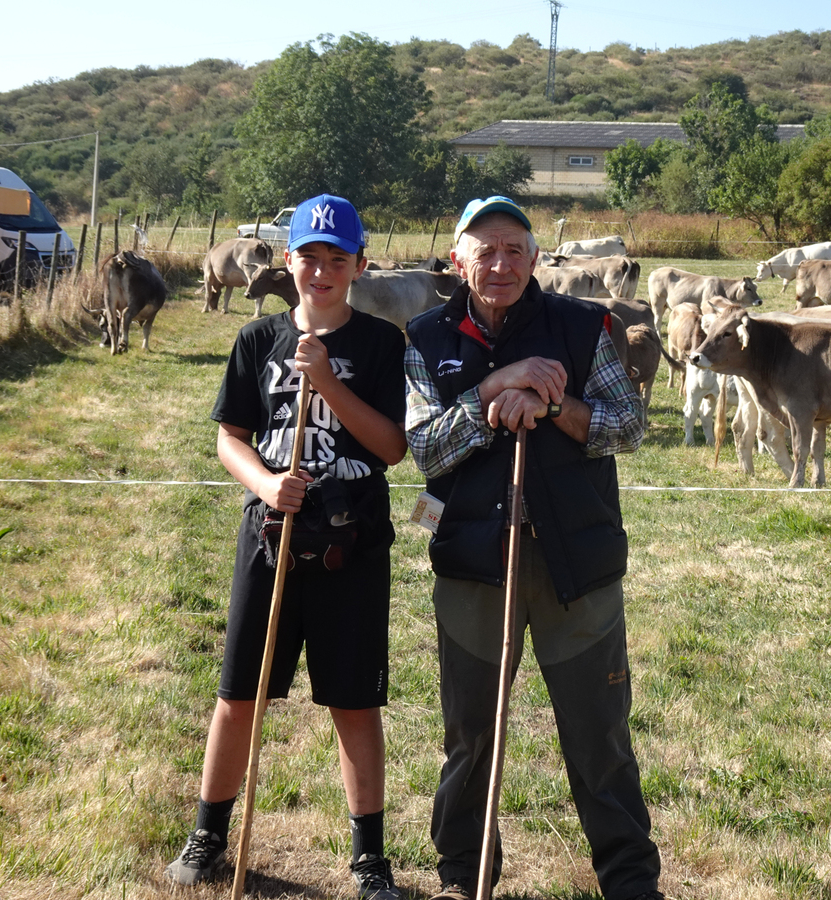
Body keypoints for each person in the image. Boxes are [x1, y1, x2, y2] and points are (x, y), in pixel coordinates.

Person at [404, 196, 663, 900]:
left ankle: (631, 883)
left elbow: (628, 428)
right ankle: (465, 876)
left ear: (536, 259)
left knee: (599, 737)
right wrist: (492, 392)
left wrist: (553, 408)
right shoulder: (425, 338)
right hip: (472, 565)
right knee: (470, 738)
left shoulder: (583, 327)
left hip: (575, 562)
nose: (500, 264)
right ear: (458, 260)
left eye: (515, 249)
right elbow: (421, 445)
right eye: (484, 250)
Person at [164, 193, 408, 900]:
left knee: (353, 700)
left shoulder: (380, 344)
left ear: (359, 265)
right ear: (289, 261)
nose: (323, 270)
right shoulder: (256, 339)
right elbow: (229, 438)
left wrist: (327, 380)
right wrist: (267, 486)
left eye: (338, 259)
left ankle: (369, 859)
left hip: (352, 539)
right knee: (240, 693)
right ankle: (210, 834)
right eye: (310, 257)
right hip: (271, 537)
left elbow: (392, 446)